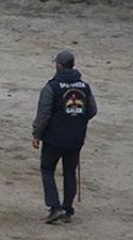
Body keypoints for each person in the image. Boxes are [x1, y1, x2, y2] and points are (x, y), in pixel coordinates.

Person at [31, 50, 97, 225]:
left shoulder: (51, 87)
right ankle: (67, 209)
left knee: (47, 169)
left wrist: (37, 134)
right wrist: (76, 122)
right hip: (76, 139)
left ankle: (54, 207)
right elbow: (92, 111)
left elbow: (44, 114)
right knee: (69, 172)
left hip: (54, 138)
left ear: (59, 65)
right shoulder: (85, 86)